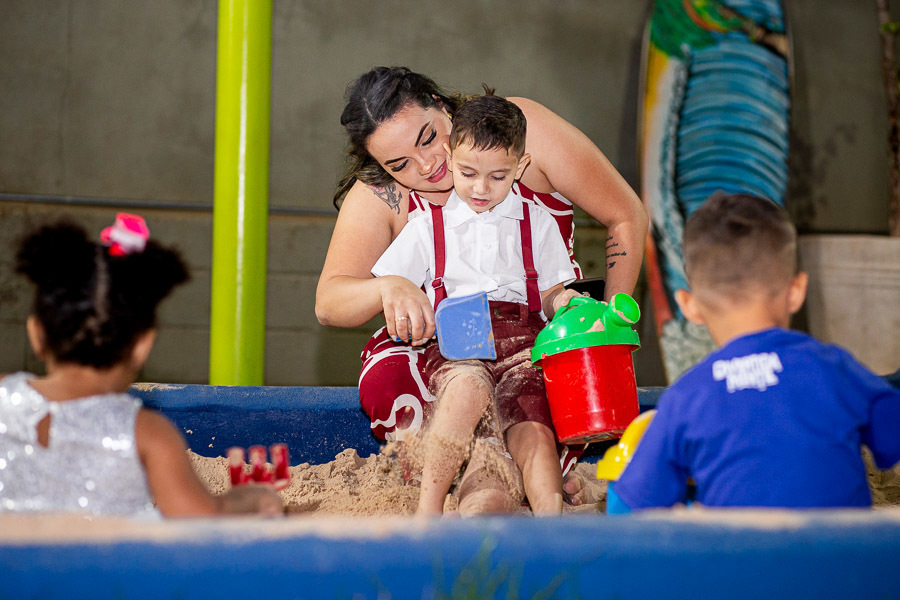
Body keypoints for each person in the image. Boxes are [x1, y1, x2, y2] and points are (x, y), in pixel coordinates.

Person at [316, 67, 648, 494]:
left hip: (539, 334)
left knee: (539, 390)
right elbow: (329, 301)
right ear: (379, 166)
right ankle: (481, 471)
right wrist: (387, 286)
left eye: (429, 137)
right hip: (446, 350)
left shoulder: (523, 129)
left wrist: (607, 329)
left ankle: (505, 471)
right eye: (400, 164)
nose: (429, 163)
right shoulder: (382, 194)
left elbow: (625, 215)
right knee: (389, 371)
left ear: (441, 105)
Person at [613, 193, 900, 510]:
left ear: (689, 306)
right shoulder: (836, 370)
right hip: (846, 556)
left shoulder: (685, 398)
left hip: (741, 556)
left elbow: (632, 504)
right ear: (796, 291)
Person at [372, 94, 582, 515]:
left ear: (520, 168)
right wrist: (399, 296)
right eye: (468, 173)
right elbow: (389, 285)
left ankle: (554, 527)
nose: (481, 188)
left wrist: (567, 301)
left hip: (524, 344)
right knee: (464, 390)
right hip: (457, 342)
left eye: (498, 176)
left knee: (534, 431)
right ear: (450, 158)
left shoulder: (536, 222)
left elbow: (552, 292)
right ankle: (428, 514)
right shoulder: (427, 226)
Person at [1, 217, 283, 518]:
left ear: (36, 334)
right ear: (142, 346)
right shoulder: (148, 434)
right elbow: (201, 518)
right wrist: (255, 500)